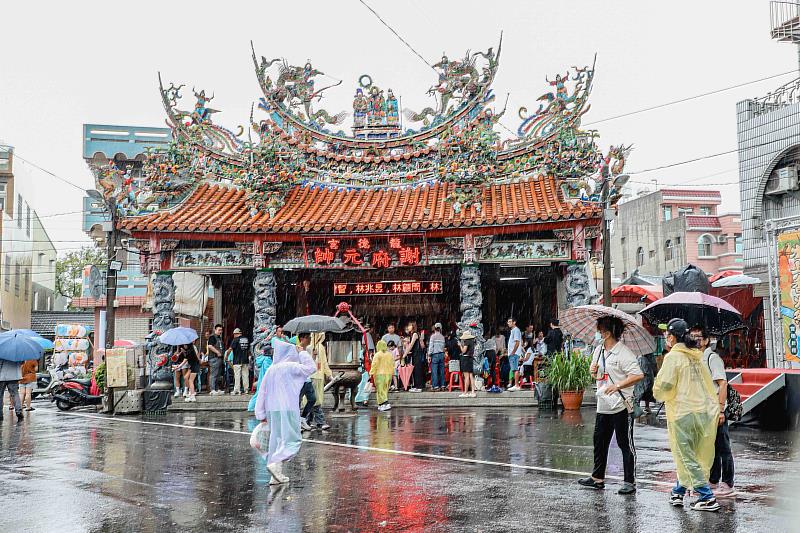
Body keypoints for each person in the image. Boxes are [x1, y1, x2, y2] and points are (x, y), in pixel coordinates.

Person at [654, 318, 721, 512]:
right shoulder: (696, 355)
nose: (666, 337)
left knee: (685, 456)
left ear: (673, 337)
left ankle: (707, 497)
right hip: (701, 412)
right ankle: (678, 492)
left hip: (682, 414)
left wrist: (661, 390)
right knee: (689, 454)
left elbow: (663, 387)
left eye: (667, 334)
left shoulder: (673, 357)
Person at [578, 316, 644, 495]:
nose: (597, 333)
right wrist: (593, 372)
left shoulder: (624, 353)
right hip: (604, 404)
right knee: (599, 441)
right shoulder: (599, 350)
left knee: (625, 443)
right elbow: (597, 374)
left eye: (599, 330)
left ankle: (629, 481)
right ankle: (597, 478)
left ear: (607, 333)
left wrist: (618, 385)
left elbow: (638, 375)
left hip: (621, 405)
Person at [254, 337, 316, 485]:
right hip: (288, 408)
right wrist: (302, 353)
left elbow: (262, 392)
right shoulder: (292, 366)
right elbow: (311, 368)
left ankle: (276, 475)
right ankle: (276, 464)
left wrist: (260, 413)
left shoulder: (271, 369)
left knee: (276, 441)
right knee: (292, 440)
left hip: (272, 410)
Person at [691, 326, 735, 498]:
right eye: (692, 336)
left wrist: (721, 409)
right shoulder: (697, 358)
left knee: (723, 446)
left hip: (715, 408)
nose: (695, 340)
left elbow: (722, 383)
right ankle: (714, 479)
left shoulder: (712, 358)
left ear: (707, 340)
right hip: (703, 409)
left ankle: (728, 482)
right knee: (711, 445)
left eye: (699, 337)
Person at [306, 332, 332, 430]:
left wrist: (328, 374)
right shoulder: (309, 347)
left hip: (318, 376)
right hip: (312, 376)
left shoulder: (320, 347)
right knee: (315, 399)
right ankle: (320, 421)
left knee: (312, 399)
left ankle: (307, 420)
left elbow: (324, 362)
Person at [248, 339, 274, 412]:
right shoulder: (267, 360)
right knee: (259, 394)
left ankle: (254, 408)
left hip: (261, 379)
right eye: (271, 351)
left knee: (259, 394)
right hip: (264, 380)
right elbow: (268, 371)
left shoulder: (262, 359)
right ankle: (251, 408)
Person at [371, 340, 394, 411]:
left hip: (379, 374)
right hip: (389, 374)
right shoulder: (389, 354)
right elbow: (393, 364)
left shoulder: (377, 354)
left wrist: (371, 372)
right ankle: (381, 404)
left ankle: (385, 403)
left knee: (380, 390)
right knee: (385, 389)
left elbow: (374, 364)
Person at [226, 328, 250, 395]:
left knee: (237, 375)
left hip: (237, 360)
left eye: (234, 334)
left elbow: (230, 349)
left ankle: (237, 390)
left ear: (236, 334)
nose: (233, 335)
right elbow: (248, 350)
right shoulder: (246, 339)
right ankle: (246, 390)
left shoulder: (235, 340)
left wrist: (226, 356)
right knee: (245, 375)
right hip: (245, 360)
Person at [406, 323, 426, 392]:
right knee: (415, 370)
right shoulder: (414, 334)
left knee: (417, 370)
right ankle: (416, 385)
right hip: (415, 354)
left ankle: (419, 386)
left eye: (409, 326)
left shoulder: (415, 334)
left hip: (417, 354)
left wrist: (405, 354)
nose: (408, 327)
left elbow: (411, 345)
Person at [427, 323, 446, 391]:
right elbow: (443, 347)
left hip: (435, 355)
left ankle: (436, 386)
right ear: (440, 329)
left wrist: (429, 355)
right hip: (441, 354)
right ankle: (443, 385)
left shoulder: (433, 336)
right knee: (442, 371)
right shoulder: (442, 337)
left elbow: (431, 347)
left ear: (435, 328)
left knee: (434, 371)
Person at [207, 324, 225, 395]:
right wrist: (217, 352)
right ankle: (212, 389)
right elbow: (210, 346)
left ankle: (217, 389)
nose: (220, 331)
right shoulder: (212, 337)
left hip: (219, 358)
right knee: (213, 374)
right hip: (214, 358)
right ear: (215, 330)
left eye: (221, 330)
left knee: (218, 374)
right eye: (219, 330)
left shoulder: (219, 338)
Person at [459, 331, 477, 398]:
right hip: (470, 358)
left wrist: (460, 345)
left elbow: (463, 351)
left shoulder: (466, 342)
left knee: (466, 376)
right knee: (471, 375)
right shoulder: (472, 341)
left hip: (465, 358)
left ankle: (465, 392)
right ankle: (473, 392)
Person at [506, 318, 523, 391]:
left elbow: (517, 342)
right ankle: (516, 384)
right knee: (513, 369)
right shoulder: (513, 330)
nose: (508, 323)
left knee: (515, 369)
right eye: (508, 322)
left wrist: (513, 352)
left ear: (514, 322)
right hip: (513, 353)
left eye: (510, 322)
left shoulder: (516, 330)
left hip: (514, 353)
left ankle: (516, 385)